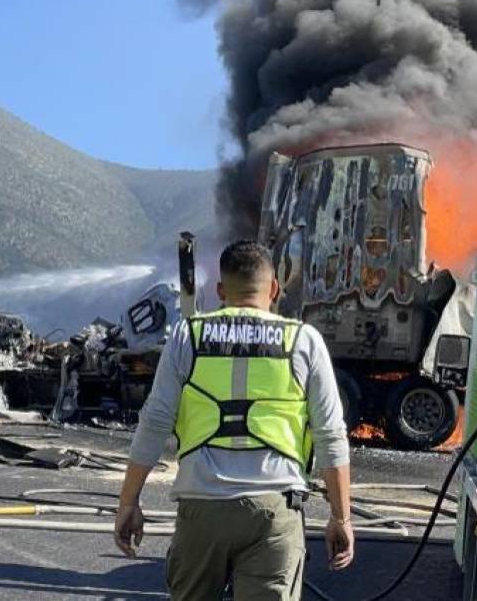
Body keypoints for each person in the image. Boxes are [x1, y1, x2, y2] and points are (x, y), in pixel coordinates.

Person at [116, 240, 353, 600]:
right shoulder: (303, 341)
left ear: (220, 291)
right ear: (274, 290)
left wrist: (129, 502)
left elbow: (154, 422)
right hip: (273, 508)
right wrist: (341, 517)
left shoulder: (187, 336)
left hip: (201, 506)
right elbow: (331, 435)